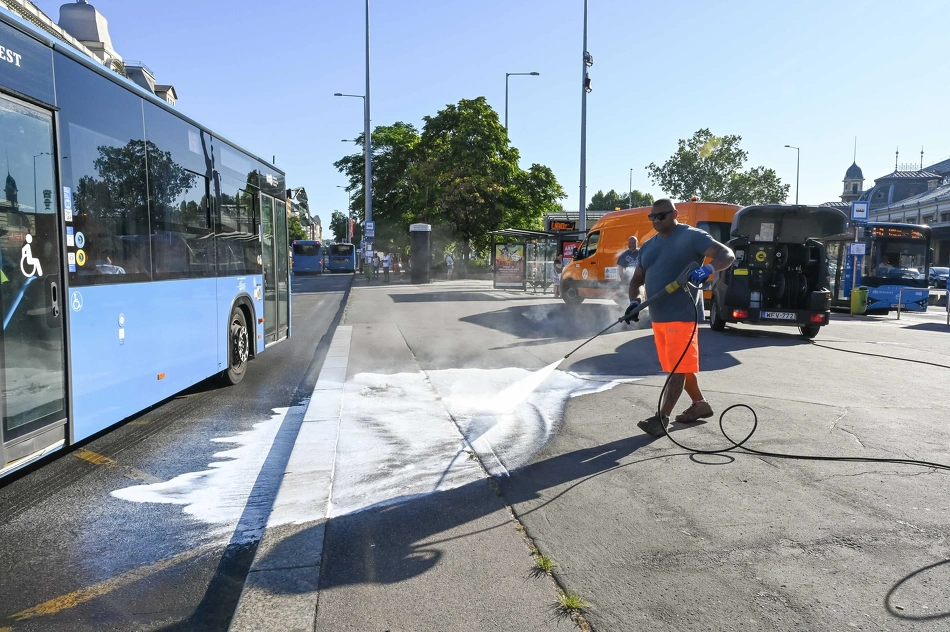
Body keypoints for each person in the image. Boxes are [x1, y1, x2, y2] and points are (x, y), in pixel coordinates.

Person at [623, 198, 735, 437]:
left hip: (682, 315)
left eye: (660, 216)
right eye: (652, 217)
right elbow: (637, 280)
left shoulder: (691, 236)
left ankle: (661, 418)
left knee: (676, 368)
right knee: (679, 366)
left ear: (674, 214)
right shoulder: (648, 246)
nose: (656, 220)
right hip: (659, 317)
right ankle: (700, 404)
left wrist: (708, 268)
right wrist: (635, 301)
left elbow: (727, 254)